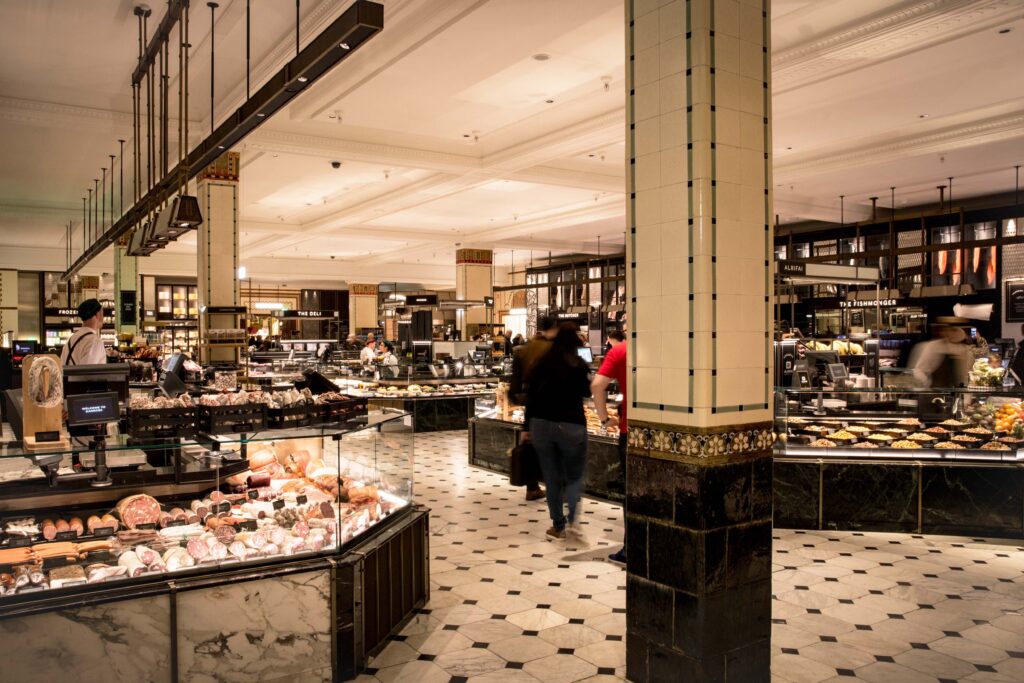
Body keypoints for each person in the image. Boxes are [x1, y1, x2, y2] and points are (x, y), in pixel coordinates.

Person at [526, 323, 592, 541]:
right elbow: (586, 392)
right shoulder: (579, 364)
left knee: (552, 477)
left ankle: (558, 525)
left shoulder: (541, 362)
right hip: (572, 424)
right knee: (573, 478)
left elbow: (531, 396)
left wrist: (526, 427)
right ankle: (573, 522)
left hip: (542, 425)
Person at [509, 315, 559, 501]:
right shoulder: (554, 351)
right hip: (553, 410)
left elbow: (515, 388)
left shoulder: (522, 351)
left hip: (532, 410)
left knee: (532, 446)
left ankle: (532, 487)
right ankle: (556, 490)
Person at [592, 329, 627, 563]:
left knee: (631, 491)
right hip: (664, 431)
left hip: (630, 432)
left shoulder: (620, 352)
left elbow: (597, 386)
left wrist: (604, 419)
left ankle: (630, 548)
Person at [912, 323, 972, 388]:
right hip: (937, 391)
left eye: (954, 331)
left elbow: (968, 374)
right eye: (948, 331)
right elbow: (918, 370)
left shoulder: (965, 349)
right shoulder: (934, 346)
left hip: (960, 391)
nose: (950, 334)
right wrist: (927, 383)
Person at [60, 299, 107, 366]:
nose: (103, 318)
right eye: (102, 314)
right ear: (97, 314)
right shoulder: (95, 341)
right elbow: (88, 373)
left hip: (69, 376)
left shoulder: (71, 339)